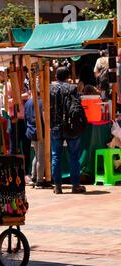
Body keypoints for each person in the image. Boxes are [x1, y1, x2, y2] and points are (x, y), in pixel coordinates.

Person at [50, 67, 86, 195]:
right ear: (68, 76)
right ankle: (75, 185)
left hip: (55, 126)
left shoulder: (50, 89)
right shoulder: (73, 88)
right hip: (71, 126)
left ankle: (58, 186)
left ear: (56, 76)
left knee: (56, 156)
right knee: (74, 156)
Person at [24, 92, 52, 189]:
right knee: (41, 156)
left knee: (37, 155)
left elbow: (25, 118)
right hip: (40, 132)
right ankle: (39, 181)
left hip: (31, 131)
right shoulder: (41, 103)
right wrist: (48, 128)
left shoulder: (27, 103)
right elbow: (44, 118)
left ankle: (34, 177)